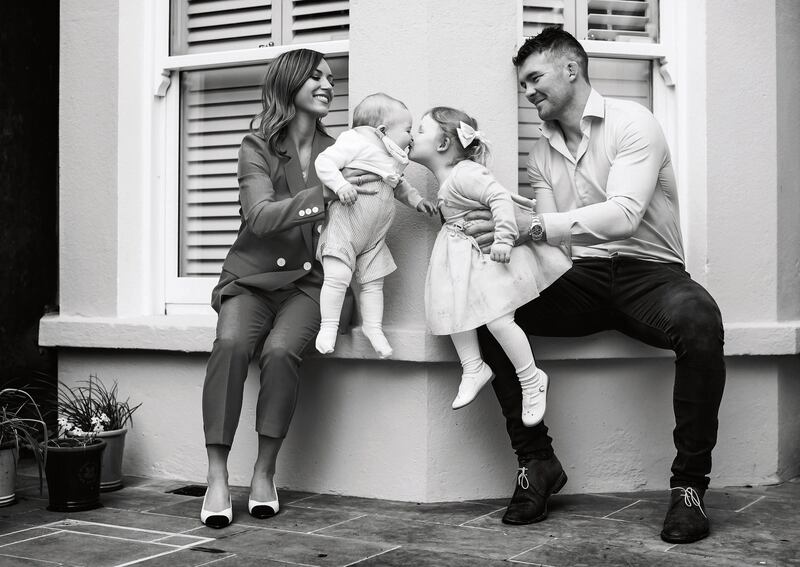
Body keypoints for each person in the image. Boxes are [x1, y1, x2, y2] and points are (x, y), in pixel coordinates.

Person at [467, 27, 725, 544]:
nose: (529, 91)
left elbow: (624, 216)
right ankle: (537, 462)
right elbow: (545, 235)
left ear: (571, 69)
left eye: (535, 78)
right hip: (578, 276)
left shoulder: (634, 122)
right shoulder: (540, 154)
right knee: (486, 312)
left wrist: (532, 228)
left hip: (650, 272)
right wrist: (495, 227)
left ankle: (689, 488)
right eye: (522, 84)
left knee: (700, 321)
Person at [200, 48, 377, 529]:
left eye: (330, 77)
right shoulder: (256, 145)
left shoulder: (337, 150)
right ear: (290, 83)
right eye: (316, 76)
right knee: (232, 344)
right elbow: (258, 217)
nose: (327, 84)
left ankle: (263, 472)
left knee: (280, 352)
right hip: (251, 280)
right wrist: (324, 193)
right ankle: (217, 476)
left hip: (309, 284)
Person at [410, 106, 571, 421]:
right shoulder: (450, 177)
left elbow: (499, 198)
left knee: (499, 320)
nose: (413, 136)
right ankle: (473, 367)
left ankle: (531, 378)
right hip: (465, 259)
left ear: (442, 145)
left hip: (491, 260)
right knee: (457, 307)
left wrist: (503, 239)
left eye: (419, 130)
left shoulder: (466, 173)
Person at [314, 93, 437, 358]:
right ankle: (328, 326)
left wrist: (417, 202)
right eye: (407, 130)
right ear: (382, 130)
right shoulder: (355, 142)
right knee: (337, 278)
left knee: (374, 284)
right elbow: (323, 163)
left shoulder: (390, 159)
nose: (411, 136)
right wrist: (340, 185)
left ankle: (373, 328)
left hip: (374, 238)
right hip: (345, 228)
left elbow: (399, 186)